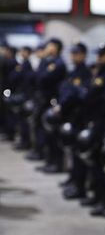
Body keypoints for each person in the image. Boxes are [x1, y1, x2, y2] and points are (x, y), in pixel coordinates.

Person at [80, 44, 105, 209]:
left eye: (103, 55)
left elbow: (94, 95)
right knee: (94, 161)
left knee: (102, 164)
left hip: (104, 123)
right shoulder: (100, 73)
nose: (99, 58)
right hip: (96, 120)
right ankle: (97, 195)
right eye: (99, 55)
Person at [60, 42, 92, 200]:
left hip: (81, 118)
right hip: (71, 116)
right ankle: (74, 180)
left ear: (84, 55)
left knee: (80, 156)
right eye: (73, 53)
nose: (74, 56)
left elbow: (81, 95)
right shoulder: (73, 72)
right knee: (73, 153)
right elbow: (65, 91)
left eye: (77, 53)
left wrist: (71, 93)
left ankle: (80, 187)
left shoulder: (85, 73)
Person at [34, 38, 67, 172]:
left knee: (54, 135)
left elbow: (43, 78)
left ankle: (56, 164)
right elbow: (38, 77)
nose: (47, 47)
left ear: (56, 47)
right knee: (47, 134)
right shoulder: (49, 62)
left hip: (53, 102)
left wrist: (44, 61)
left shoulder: (58, 63)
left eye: (50, 45)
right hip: (46, 101)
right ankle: (50, 161)